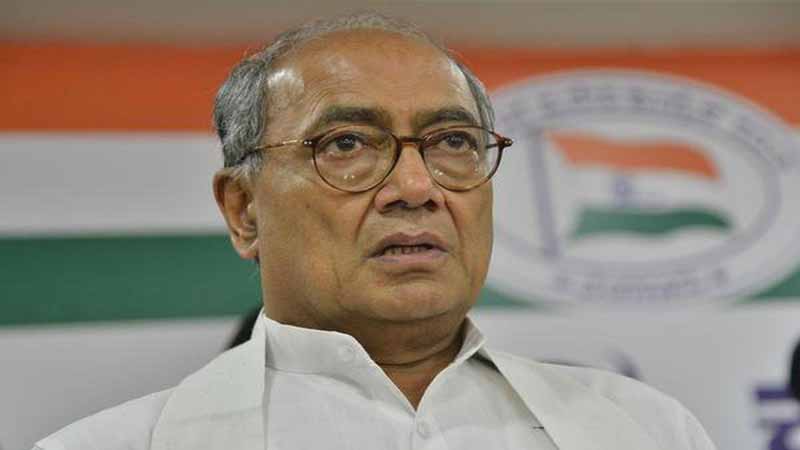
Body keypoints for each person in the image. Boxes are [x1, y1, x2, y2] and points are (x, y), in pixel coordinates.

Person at [34, 12, 716, 450]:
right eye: (346, 144)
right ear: (244, 210)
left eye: (453, 142)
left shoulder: (645, 429)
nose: (417, 188)